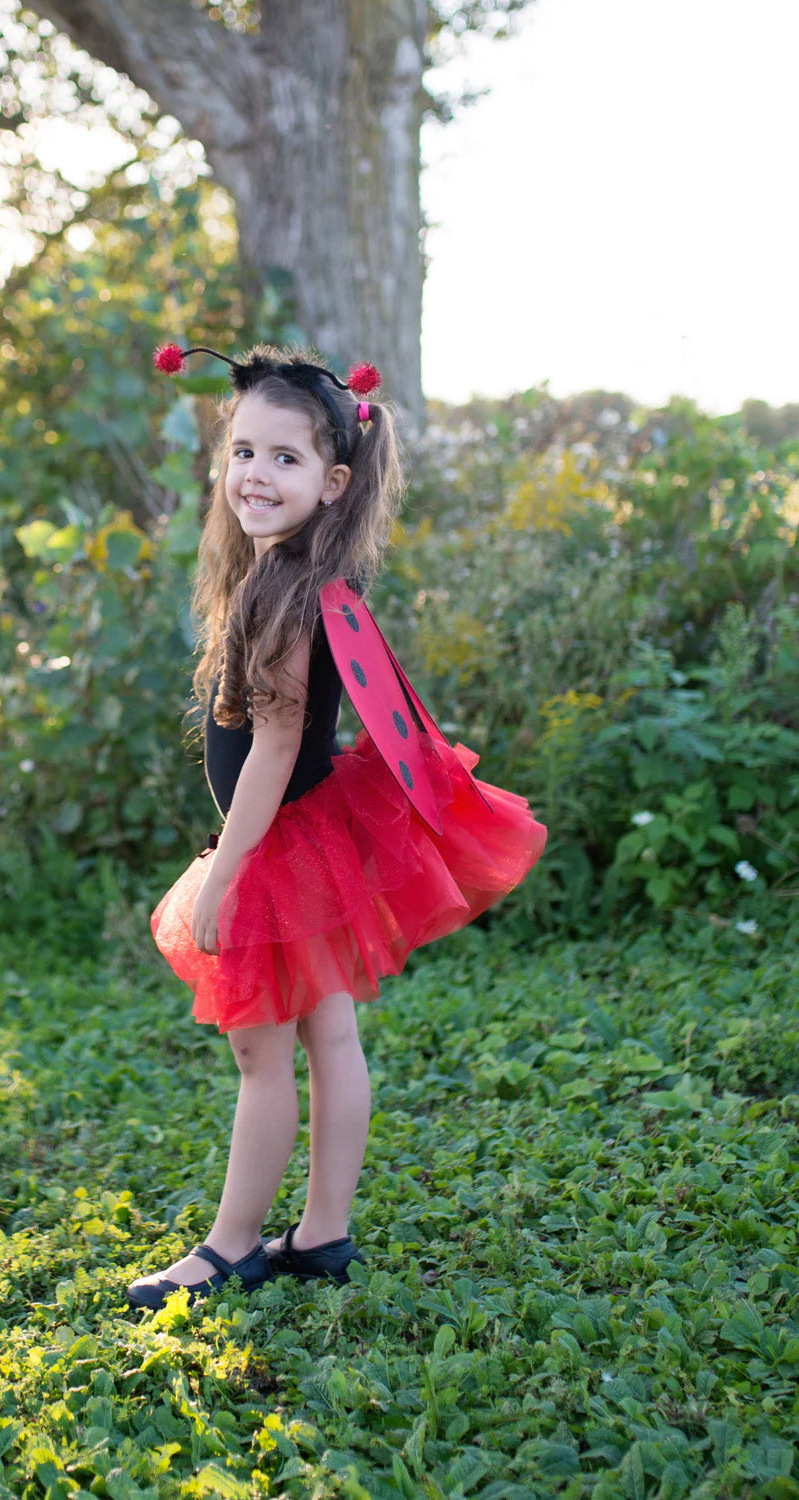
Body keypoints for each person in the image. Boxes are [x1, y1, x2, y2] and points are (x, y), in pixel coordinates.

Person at [126, 343, 547, 1310]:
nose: (255, 475)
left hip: (280, 844)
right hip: (312, 835)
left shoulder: (282, 592)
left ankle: (232, 1248)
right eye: (243, 452)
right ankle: (321, 1235)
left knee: (262, 1054)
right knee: (330, 1038)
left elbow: (271, 752)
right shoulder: (294, 577)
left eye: (285, 459)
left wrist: (224, 880)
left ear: (333, 480)